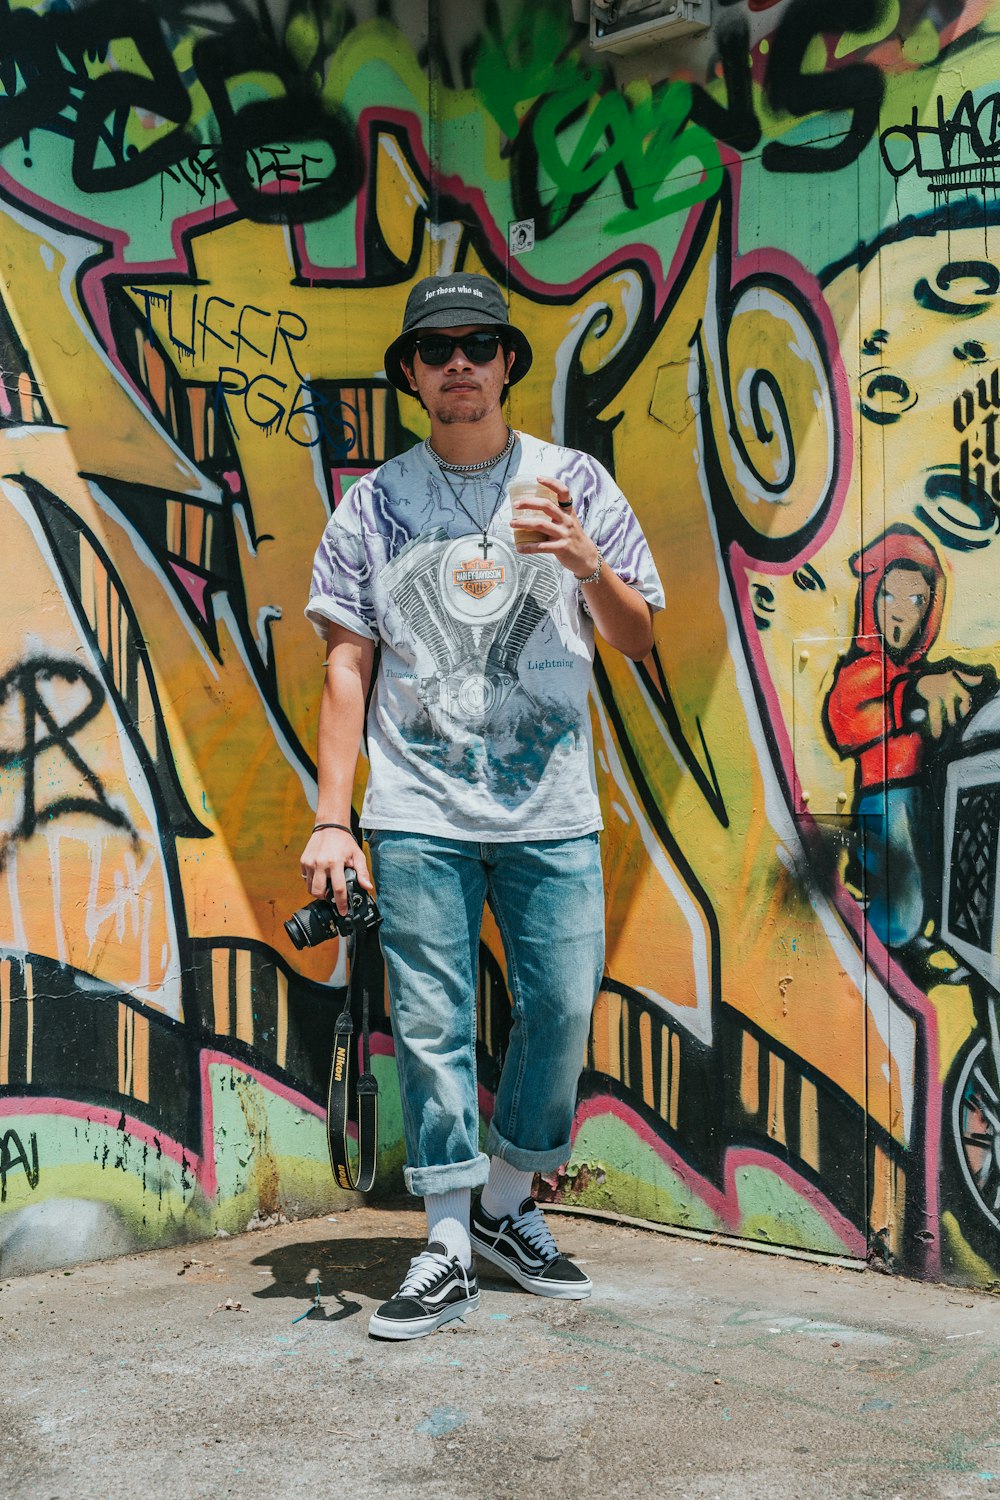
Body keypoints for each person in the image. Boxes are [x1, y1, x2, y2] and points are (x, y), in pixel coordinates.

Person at [302, 272, 664, 1341]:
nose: (457, 361)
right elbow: (345, 666)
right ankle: (449, 1237)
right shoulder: (372, 505)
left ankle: (509, 1200)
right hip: (416, 806)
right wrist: (334, 819)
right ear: (411, 375)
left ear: (507, 363)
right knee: (433, 1021)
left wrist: (586, 560)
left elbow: (638, 637)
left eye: (477, 344)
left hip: (549, 805)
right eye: (435, 348)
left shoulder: (574, 483)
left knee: (558, 1006)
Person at [824, 524, 991, 949]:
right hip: (884, 798)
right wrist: (913, 696)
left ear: (930, 610)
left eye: (915, 599)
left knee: (925, 882)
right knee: (901, 904)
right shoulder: (861, 670)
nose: (900, 611)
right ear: (870, 599)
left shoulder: (916, 672)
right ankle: (874, 938)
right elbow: (846, 719)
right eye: (888, 596)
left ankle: (908, 937)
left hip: (920, 793)